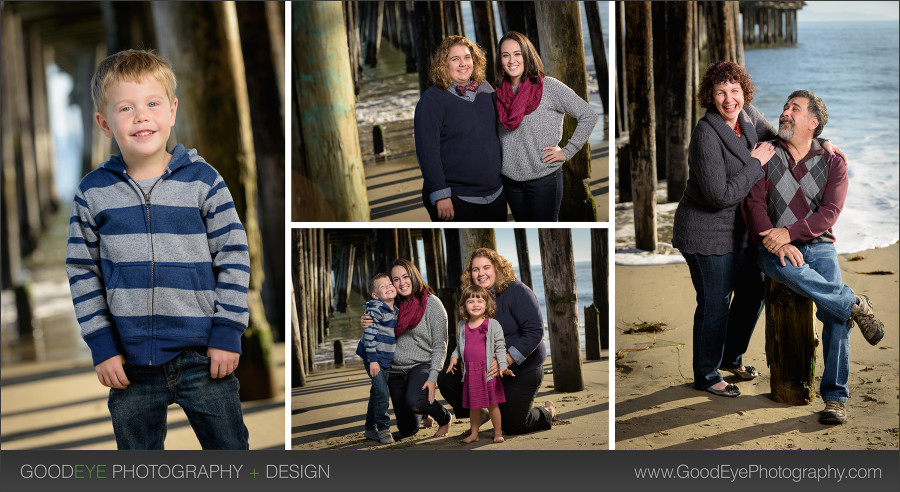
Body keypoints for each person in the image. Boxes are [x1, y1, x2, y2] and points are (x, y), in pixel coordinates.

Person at [65, 49, 249, 449]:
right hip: (129, 363)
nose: (141, 116)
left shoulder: (204, 182)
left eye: (152, 104)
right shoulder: (92, 192)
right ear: (104, 123)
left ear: (172, 111)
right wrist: (102, 347)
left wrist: (228, 332)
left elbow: (233, 256)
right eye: (125, 108)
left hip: (203, 354)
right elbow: (82, 273)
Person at [671, 61, 843, 398]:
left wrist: (823, 141)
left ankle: (730, 357)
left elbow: (784, 134)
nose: (729, 98)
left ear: (743, 92)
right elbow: (720, 196)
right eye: (720, 92)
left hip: (741, 231)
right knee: (714, 303)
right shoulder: (706, 134)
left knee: (752, 292)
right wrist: (755, 164)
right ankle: (706, 375)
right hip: (705, 231)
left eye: (734, 90)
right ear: (710, 96)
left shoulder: (748, 115)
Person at [742, 90, 885, 424]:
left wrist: (791, 233)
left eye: (795, 109)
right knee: (829, 297)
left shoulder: (834, 159)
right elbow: (754, 205)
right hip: (771, 246)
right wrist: (773, 239)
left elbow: (830, 213)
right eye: (785, 107)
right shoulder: (766, 153)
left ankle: (835, 398)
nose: (785, 113)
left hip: (819, 245)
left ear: (813, 122)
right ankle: (854, 303)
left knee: (834, 315)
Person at [438, 248, 556, 436]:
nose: (480, 273)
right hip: (484, 368)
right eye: (475, 270)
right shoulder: (474, 297)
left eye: (486, 267)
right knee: (447, 379)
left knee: (513, 426)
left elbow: (534, 332)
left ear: (498, 269)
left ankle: (547, 412)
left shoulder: (517, 291)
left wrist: (507, 359)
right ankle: (481, 413)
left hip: (522, 369)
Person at [494, 31, 598, 222]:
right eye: (505, 55)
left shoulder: (548, 87)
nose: (511, 60)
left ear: (527, 55)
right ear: (500, 60)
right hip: (510, 182)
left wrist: (568, 151)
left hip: (544, 179)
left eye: (517, 54)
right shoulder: (498, 94)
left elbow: (588, 115)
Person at [414, 35, 506, 222]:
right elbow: (426, 151)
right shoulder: (431, 101)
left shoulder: (486, 89)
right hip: (457, 198)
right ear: (443, 64)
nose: (463, 64)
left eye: (467, 57)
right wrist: (440, 195)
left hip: (495, 195)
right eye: (454, 59)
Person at [363, 259, 453, 438]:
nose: (402, 283)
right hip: (394, 370)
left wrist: (433, 377)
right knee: (407, 429)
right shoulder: (390, 304)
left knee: (415, 400)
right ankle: (423, 413)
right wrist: (365, 321)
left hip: (419, 366)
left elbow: (439, 345)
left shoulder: (432, 304)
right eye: (396, 279)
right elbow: (374, 322)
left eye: (405, 276)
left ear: (414, 275)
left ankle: (445, 418)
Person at [446, 285, 515, 444]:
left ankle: (498, 432)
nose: (475, 304)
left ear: (487, 304)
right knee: (474, 406)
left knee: (492, 404)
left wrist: (503, 366)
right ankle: (474, 434)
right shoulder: (462, 325)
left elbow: (500, 346)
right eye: (470, 301)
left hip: (487, 371)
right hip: (470, 372)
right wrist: (454, 358)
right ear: (464, 306)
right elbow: (459, 346)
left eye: (479, 301)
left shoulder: (492, 325)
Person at [356, 273, 399, 444]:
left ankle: (368, 428)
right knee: (382, 393)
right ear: (375, 295)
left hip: (384, 357)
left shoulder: (394, 309)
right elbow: (369, 337)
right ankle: (383, 429)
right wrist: (373, 360)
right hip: (373, 357)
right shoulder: (375, 310)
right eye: (383, 286)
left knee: (376, 394)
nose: (389, 287)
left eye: (390, 284)